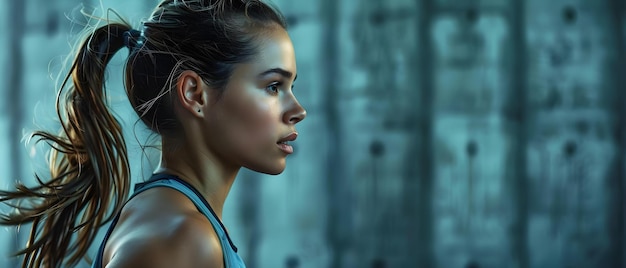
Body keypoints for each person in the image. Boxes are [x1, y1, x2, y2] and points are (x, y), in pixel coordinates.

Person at [0, 0, 306, 267]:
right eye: (273, 86)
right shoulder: (180, 240)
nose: (298, 110)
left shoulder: (170, 220)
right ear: (194, 94)